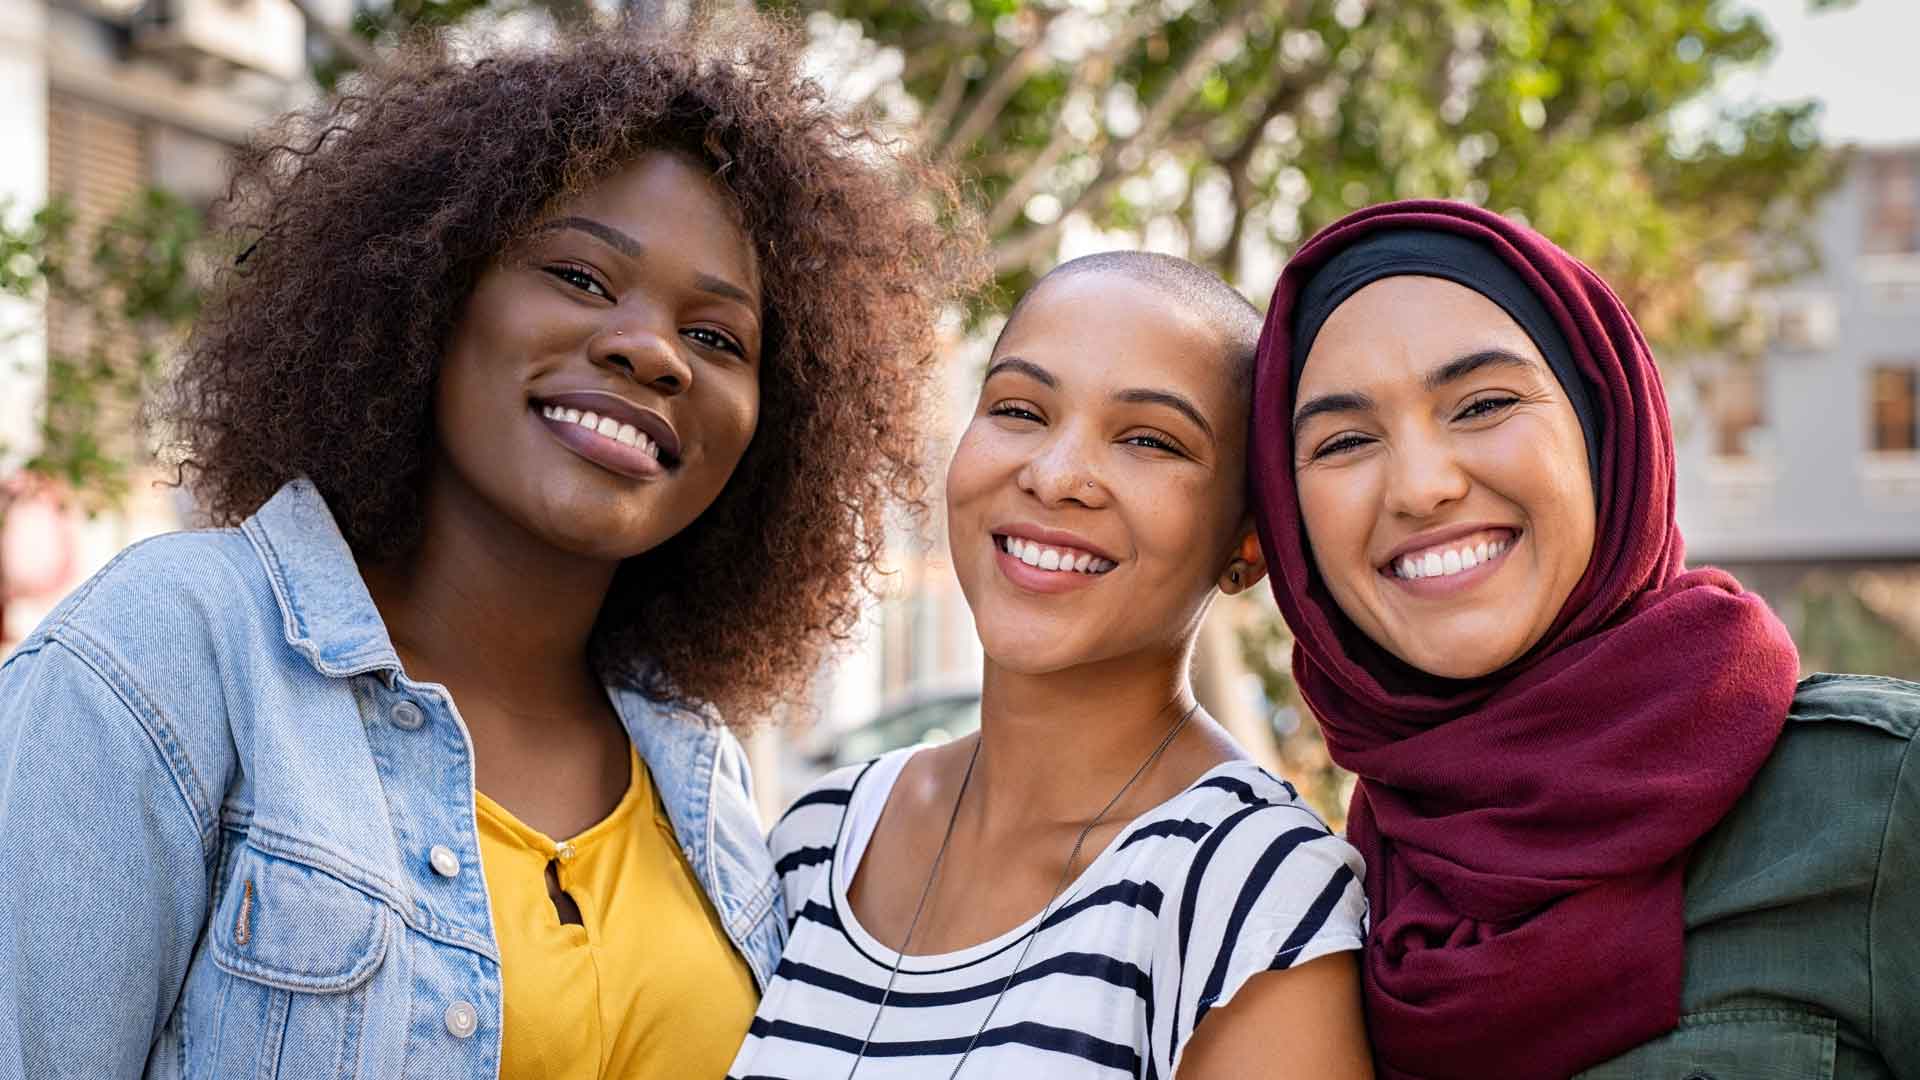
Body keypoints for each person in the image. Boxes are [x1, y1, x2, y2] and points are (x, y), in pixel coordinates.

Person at [0, 15, 983, 1079]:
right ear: (427, 294)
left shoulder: (698, 769)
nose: (650, 349)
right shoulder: (175, 653)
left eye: (715, 338)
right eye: (579, 276)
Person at [1248, 199, 1919, 1079]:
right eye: (1344, 441)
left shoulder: (1880, 800)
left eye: (1483, 403)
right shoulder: (1312, 912)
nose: (1419, 486)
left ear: (1608, 431)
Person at [730, 252, 1374, 1080]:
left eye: (1149, 439)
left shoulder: (1254, 888)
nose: (1056, 474)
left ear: (1248, 544)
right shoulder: (820, 839)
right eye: (1020, 409)